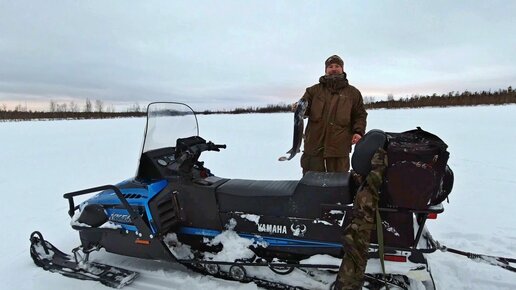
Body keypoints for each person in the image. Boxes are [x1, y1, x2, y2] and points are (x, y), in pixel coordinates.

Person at [298, 55, 368, 174]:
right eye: (330, 66)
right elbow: (304, 107)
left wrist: (358, 131)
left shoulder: (353, 93)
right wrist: (299, 107)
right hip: (314, 145)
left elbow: (360, 115)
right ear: (326, 70)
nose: (334, 69)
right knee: (312, 184)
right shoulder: (313, 91)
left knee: (338, 185)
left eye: (337, 66)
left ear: (342, 69)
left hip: (339, 148)